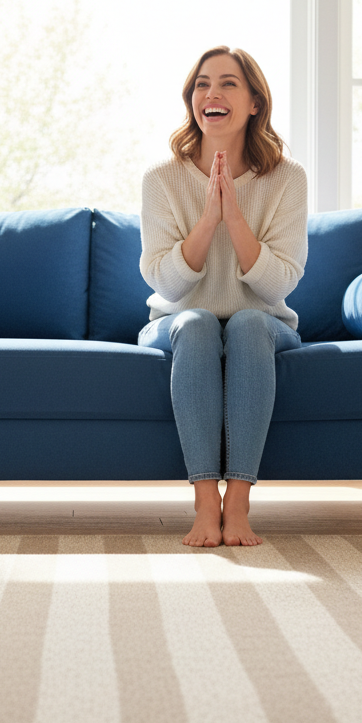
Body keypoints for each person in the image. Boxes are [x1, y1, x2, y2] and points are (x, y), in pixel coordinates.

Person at [138, 46, 308, 547]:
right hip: (176, 324)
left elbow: (279, 285)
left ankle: (239, 501)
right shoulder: (161, 179)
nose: (211, 93)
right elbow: (166, 286)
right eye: (202, 84)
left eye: (229, 83)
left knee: (249, 323)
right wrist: (207, 218)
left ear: (255, 102)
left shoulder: (287, 178)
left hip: (264, 323)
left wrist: (234, 217)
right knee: (196, 323)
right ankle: (205, 499)